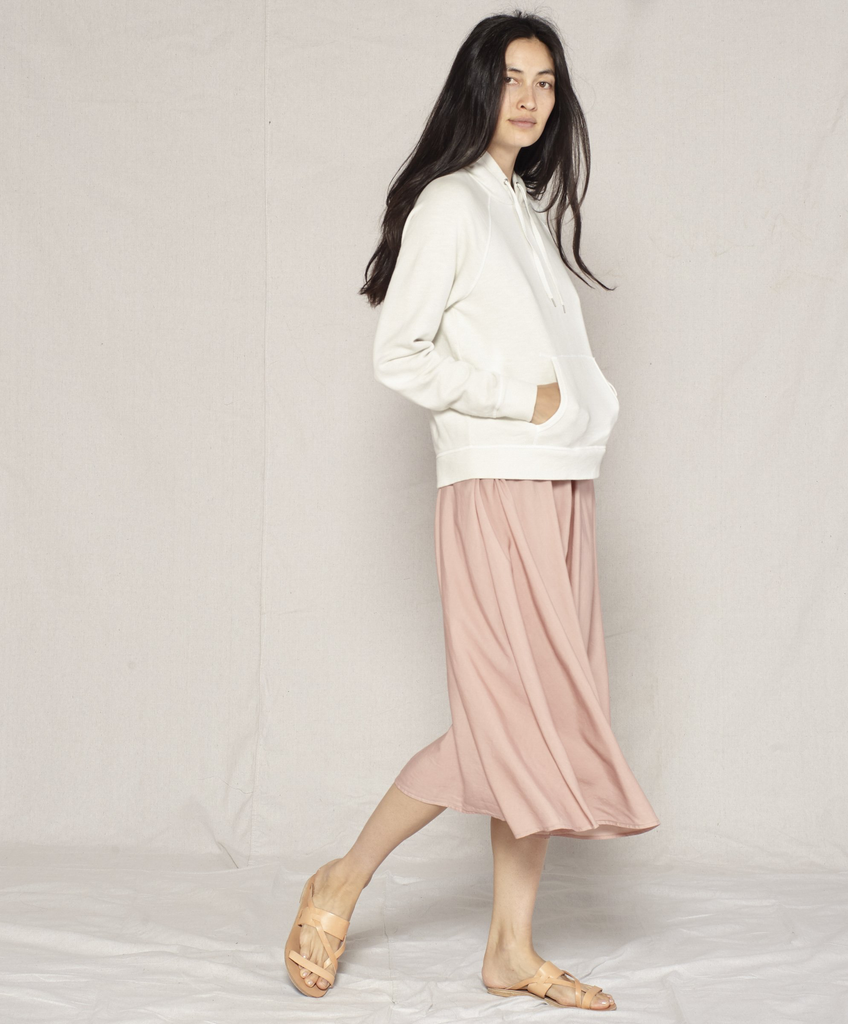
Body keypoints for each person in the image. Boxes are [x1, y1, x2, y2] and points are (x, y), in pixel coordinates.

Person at [285, 11, 660, 1011]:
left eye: (545, 81)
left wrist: (582, 409)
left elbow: (555, 357)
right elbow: (399, 353)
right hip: (496, 481)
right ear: (476, 89)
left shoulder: (520, 209)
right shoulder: (451, 202)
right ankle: (342, 879)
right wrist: (520, 400)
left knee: (544, 721)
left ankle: (507, 948)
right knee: (508, 723)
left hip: (561, 481)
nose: (529, 98)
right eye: (511, 78)